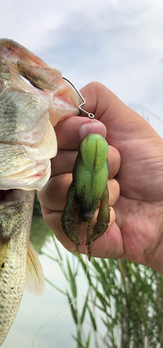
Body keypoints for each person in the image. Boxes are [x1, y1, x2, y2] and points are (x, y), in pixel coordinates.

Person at [38, 82, 163, 276]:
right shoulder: (102, 194)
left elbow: (74, 210)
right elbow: (96, 209)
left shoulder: (82, 193)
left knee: (71, 193)